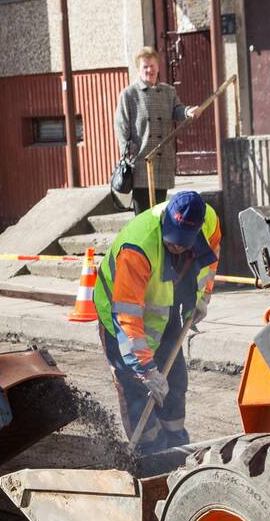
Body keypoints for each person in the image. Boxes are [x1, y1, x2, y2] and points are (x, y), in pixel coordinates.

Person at [93, 190, 220, 454]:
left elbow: (212, 253)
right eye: (172, 240)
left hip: (164, 308)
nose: (177, 247)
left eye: (184, 242)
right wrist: (146, 370)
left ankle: (176, 448)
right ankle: (148, 454)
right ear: (165, 221)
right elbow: (127, 316)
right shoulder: (137, 247)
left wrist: (202, 296)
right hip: (119, 318)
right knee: (136, 391)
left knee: (175, 381)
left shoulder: (207, 219)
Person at [114, 47, 198, 215]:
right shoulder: (129, 94)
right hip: (141, 163)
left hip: (162, 163)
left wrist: (188, 111)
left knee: (160, 214)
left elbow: (177, 110)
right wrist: (128, 151)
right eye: (145, 66)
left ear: (158, 68)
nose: (149, 70)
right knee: (143, 217)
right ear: (139, 69)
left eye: (152, 66)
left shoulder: (168, 91)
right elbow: (121, 126)